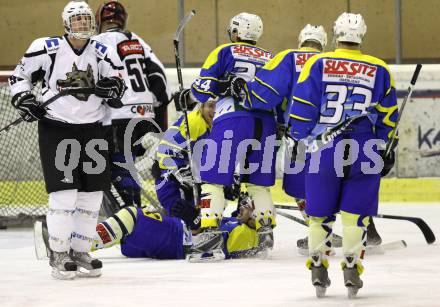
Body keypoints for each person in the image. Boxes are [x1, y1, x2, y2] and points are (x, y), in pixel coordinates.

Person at [9, 1, 125, 279]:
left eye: (87, 20)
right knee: (64, 196)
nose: (83, 25)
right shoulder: (46, 48)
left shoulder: (102, 50)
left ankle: (81, 250)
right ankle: (59, 252)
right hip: (58, 128)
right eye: (77, 21)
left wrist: (113, 88)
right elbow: (19, 77)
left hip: (94, 129)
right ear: (66, 24)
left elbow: (119, 84)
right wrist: (25, 99)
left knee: (92, 196)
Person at [288, 12, 398, 298]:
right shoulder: (380, 68)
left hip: (324, 146)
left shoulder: (318, 63)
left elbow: (302, 105)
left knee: (319, 214)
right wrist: (387, 147)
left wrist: (298, 136)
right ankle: (352, 266)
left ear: (336, 34)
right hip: (364, 148)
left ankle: (317, 266)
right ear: (362, 35)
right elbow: (388, 117)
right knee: (355, 215)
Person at [173, 13, 276, 258]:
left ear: (236, 32)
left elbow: (202, 88)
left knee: (213, 178)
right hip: (267, 123)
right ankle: (265, 231)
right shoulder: (272, 58)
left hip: (233, 118)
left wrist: (187, 97)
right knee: (258, 182)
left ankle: (209, 235)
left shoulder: (225, 51)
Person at [94, 1, 171, 208]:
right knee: (125, 165)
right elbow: (160, 79)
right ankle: (131, 215)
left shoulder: (95, 43)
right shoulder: (137, 41)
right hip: (143, 116)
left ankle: (131, 218)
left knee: (115, 168)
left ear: (99, 20)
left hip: (116, 116)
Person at [92, 192, 261, 261]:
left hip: (174, 238)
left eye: (249, 206)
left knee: (129, 216)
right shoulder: (243, 228)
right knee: (126, 233)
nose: (244, 206)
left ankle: (81, 244)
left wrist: (194, 222)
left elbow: (206, 250)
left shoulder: (245, 234)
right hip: (173, 235)